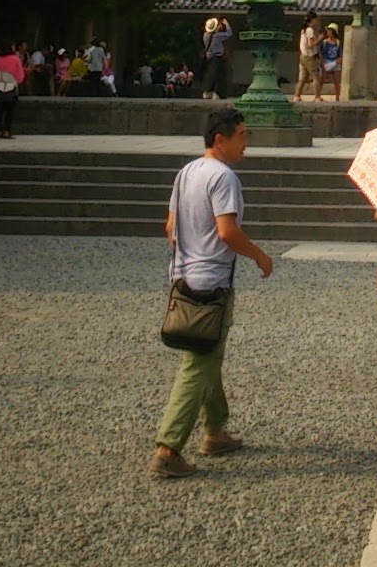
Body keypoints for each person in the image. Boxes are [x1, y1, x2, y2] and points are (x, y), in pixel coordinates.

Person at [150, 108, 273, 480]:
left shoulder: (186, 172)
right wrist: (261, 256)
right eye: (241, 135)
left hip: (182, 276)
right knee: (198, 364)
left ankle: (215, 430)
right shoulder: (223, 177)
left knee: (207, 350)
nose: (246, 142)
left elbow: (170, 226)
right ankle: (168, 448)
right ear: (220, 139)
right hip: (211, 281)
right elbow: (227, 232)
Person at [0, 40, 26, 139]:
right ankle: (7, 131)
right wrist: (18, 81)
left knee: (0, 109)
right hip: (11, 85)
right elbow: (20, 75)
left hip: (0, 85)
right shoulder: (15, 59)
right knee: (10, 110)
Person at [199, 19, 232, 100]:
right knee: (218, 76)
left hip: (209, 58)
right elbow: (229, 33)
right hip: (217, 57)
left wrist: (217, 30)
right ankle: (216, 92)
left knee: (210, 74)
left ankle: (208, 92)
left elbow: (213, 34)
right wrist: (226, 24)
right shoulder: (217, 36)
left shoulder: (205, 36)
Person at [293, 11, 321, 101]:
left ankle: (297, 96)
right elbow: (310, 44)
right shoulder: (310, 30)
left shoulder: (303, 30)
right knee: (315, 77)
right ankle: (317, 97)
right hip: (309, 57)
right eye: (315, 20)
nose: (316, 22)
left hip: (303, 56)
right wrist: (320, 39)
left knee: (303, 78)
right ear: (312, 20)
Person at [316, 24, 342, 101]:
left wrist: (339, 59)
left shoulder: (337, 42)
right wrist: (321, 61)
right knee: (322, 80)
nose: (328, 32)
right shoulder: (324, 42)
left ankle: (337, 97)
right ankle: (318, 95)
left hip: (335, 62)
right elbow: (320, 52)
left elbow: (340, 53)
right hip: (326, 62)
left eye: (329, 31)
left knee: (337, 81)